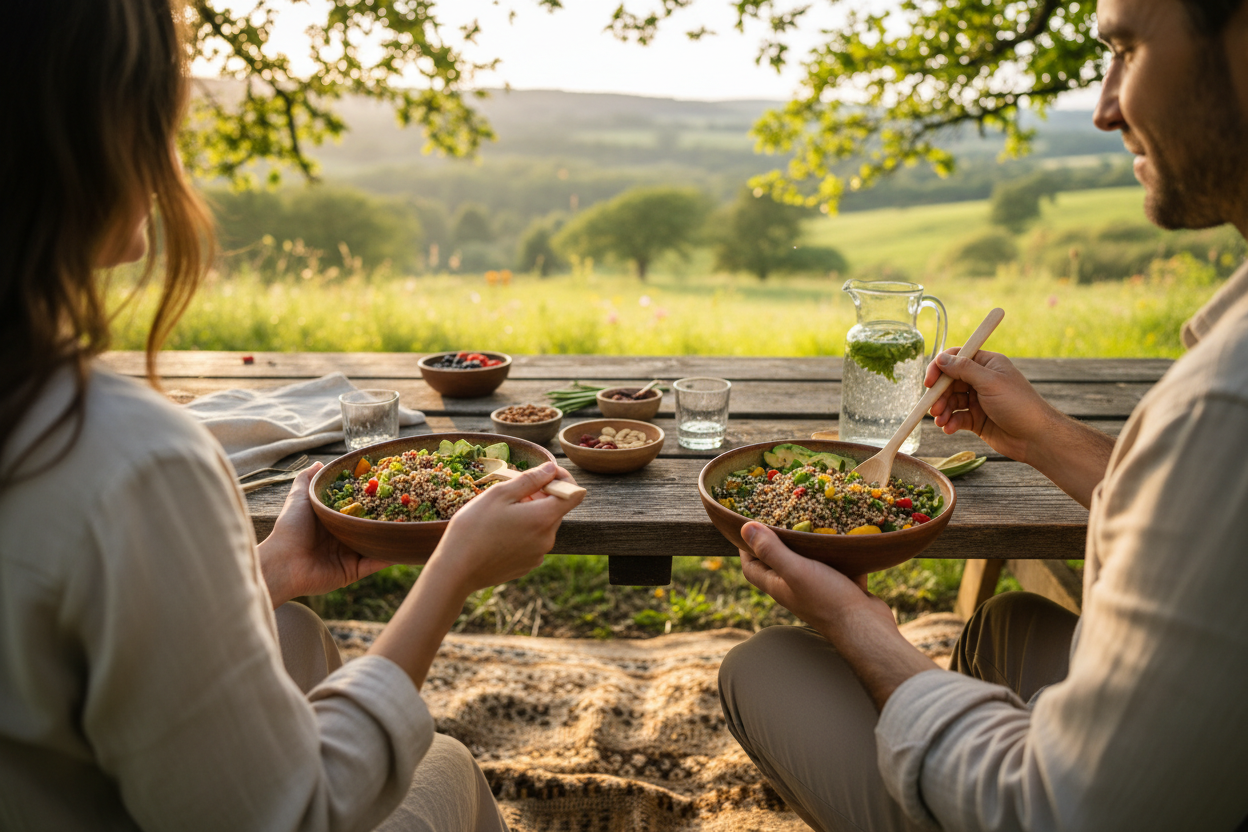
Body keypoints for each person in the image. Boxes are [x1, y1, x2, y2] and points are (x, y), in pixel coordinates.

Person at [0, 2, 583, 830]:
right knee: (444, 761)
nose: (170, 159)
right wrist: (451, 571)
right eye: (162, 117)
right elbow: (294, 815)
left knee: (295, 632)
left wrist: (261, 574)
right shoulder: (127, 459)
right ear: (87, 139)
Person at [717, 0, 1248, 829]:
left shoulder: (1225, 401)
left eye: (1127, 49)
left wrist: (860, 625)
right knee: (1005, 628)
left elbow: (1057, 811)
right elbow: (1213, 520)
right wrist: (1041, 437)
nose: (1107, 106)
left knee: (765, 665)